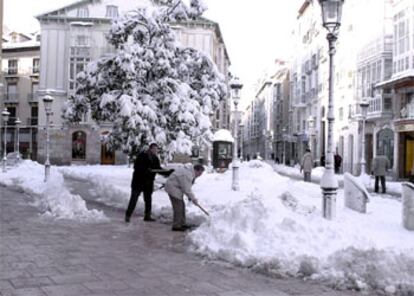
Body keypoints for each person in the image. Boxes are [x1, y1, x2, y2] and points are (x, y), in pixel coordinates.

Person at [125, 143, 170, 223]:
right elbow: (136, 167)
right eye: (154, 149)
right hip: (138, 182)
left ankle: (147, 216)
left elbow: (158, 169)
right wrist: (146, 169)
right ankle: (128, 215)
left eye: (157, 149)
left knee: (148, 200)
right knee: (134, 199)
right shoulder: (142, 156)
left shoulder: (155, 158)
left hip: (148, 183)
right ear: (150, 149)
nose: (156, 150)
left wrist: (167, 172)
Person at [164, 164, 205, 231]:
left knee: (182, 206)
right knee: (178, 208)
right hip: (173, 188)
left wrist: (190, 197)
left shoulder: (190, 172)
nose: (200, 175)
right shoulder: (187, 174)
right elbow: (186, 189)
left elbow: (187, 187)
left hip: (177, 188)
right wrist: (193, 198)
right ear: (196, 170)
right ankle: (176, 226)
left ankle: (182, 223)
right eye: (200, 173)